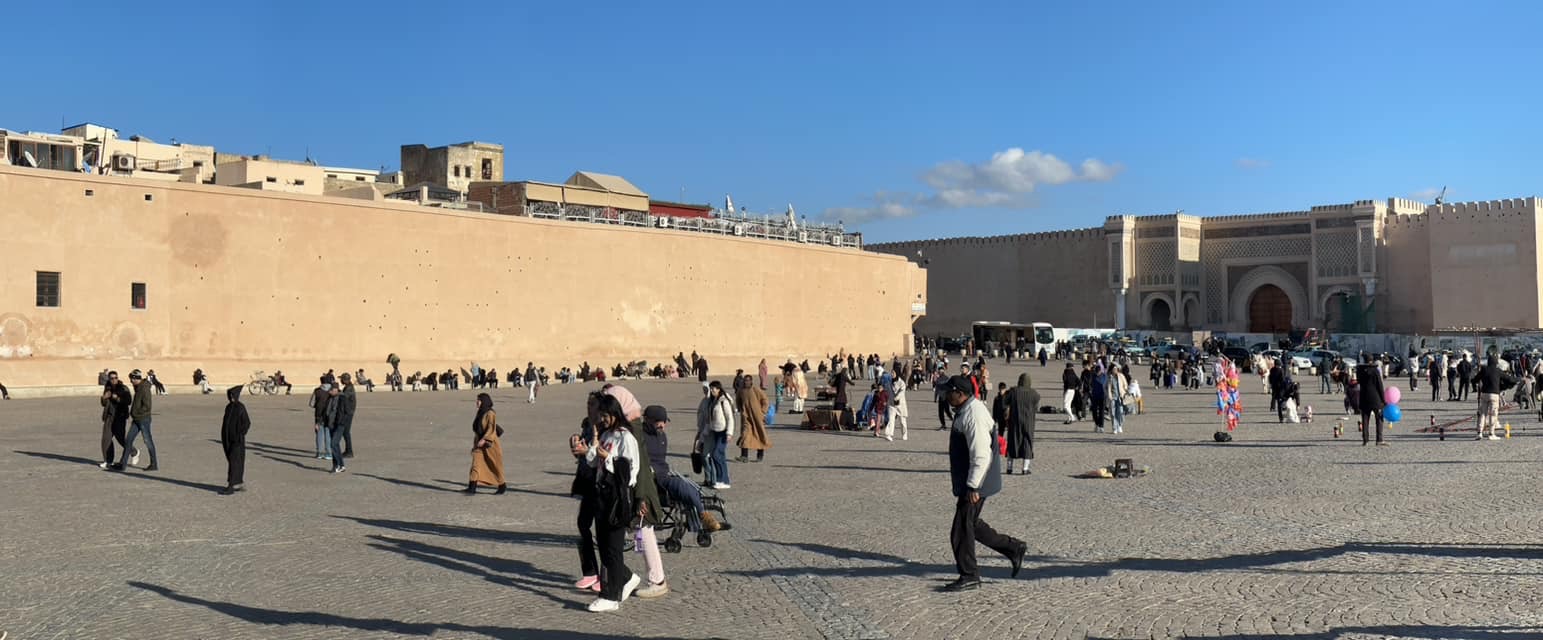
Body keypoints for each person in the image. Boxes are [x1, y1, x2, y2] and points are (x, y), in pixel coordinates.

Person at [941, 375, 1027, 592]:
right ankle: (1013, 548)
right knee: (971, 523)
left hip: (978, 481)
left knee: (960, 529)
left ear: (960, 394)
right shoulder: (966, 410)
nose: (944, 395)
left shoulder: (974, 415)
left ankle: (970, 575)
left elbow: (981, 454)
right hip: (975, 479)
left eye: (948, 392)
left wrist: (973, 486)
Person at [583, 395, 665, 611]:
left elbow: (630, 471)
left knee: (613, 548)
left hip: (617, 496)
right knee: (603, 545)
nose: (603, 419)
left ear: (614, 413)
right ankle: (627, 578)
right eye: (601, 415)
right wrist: (592, 445)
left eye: (605, 415)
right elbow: (593, 462)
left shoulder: (625, 437)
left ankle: (611, 597)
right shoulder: (607, 434)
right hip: (601, 493)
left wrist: (608, 459)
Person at [641, 405, 722, 533]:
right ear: (648, 420)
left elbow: (661, 460)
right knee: (679, 485)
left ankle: (694, 524)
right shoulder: (640, 437)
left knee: (689, 483)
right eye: (659, 422)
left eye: (664, 422)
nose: (663, 425)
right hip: (651, 477)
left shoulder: (662, 436)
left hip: (663, 473)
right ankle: (703, 515)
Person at [117, 370, 159, 472]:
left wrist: (136, 413)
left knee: (148, 441)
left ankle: (154, 464)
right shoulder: (139, 387)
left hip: (143, 419)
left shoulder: (144, 389)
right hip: (137, 419)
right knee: (128, 440)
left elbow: (147, 406)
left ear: (137, 378)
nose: (131, 381)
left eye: (132, 379)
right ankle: (123, 464)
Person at [696, 381, 734, 489]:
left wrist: (729, 433)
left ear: (719, 389)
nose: (712, 390)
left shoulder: (723, 401)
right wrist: (702, 436)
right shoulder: (712, 402)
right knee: (719, 456)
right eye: (711, 388)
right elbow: (709, 421)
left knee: (716, 454)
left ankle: (721, 479)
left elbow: (730, 418)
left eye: (714, 388)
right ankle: (723, 480)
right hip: (714, 431)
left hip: (723, 432)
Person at [465, 393, 507, 494]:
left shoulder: (490, 413)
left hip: (490, 444)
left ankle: (502, 485)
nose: (477, 402)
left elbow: (491, 428)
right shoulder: (480, 412)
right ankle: (472, 487)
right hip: (479, 443)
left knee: (495, 465)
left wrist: (485, 439)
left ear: (484, 402)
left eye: (479, 400)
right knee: (476, 464)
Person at [1475, 353, 1517, 440]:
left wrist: (1477, 383)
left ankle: (1479, 433)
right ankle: (1491, 433)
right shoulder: (1498, 370)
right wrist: (1517, 380)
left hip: (1484, 394)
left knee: (1482, 413)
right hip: (1494, 394)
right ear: (1496, 362)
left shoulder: (1484, 369)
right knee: (1493, 414)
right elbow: (1509, 379)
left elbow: (1474, 379)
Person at [1004, 373, 1039, 475]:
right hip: (1028, 422)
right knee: (1027, 442)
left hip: (1015, 421)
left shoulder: (1013, 391)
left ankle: (1009, 468)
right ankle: (1025, 468)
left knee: (1012, 441)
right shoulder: (1034, 394)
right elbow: (1036, 405)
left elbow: (1005, 401)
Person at [99, 371, 134, 470]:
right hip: (109, 417)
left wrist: (117, 398)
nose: (114, 380)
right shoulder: (107, 388)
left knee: (120, 438)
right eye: (112, 378)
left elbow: (128, 401)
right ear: (109, 379)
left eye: (115, 377)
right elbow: (104, 403)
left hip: (120, 416)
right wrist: (103, 398)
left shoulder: (123, 388)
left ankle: (134, 451)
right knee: (106, 440)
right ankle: (108, 461)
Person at [220, 385, 250, 495]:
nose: (231, 398)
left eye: (233, 396)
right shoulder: (228, 407)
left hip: (237, 441)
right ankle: (238, 482)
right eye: (230, 396)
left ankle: (231, 485)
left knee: (234, 461)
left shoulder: (240, 407)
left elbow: (246, 423)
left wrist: (240, 435)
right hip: (228, 439)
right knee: (234, 461)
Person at [1355, 353, 1387, 446]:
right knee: (1379, 418)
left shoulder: (1360, 370)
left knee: (1365, 419)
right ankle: (1379, 439)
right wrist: (1383, 399)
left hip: (1364, 397)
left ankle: (1365, 439)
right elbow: (1380, 386)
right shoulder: (1375, 371)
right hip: (1375, 397)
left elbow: (1359, 381)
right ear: (1372, 360)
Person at [736, 377, 771, 462]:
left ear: (751, 381)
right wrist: (741, 410)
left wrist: (763, 411)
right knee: (745, 434)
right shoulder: (741, 391)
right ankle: (744, 456)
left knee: (759, 434)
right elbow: (738, 401)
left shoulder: (756, 390)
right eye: (745, 381)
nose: (746, 382)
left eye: (748, 380)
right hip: (746, 417)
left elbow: (765, 399)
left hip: (757, 416)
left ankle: (760, 455)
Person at [335, 373, 358, 460]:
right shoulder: (348, 387)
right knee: (345, 432)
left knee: (346, 432)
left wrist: (337, 391)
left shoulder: (349, 388)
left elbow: (344, 396)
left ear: (345, 380)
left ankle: (349, 451)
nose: (340, 380)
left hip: (348, 413)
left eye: (341, 379)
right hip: (348, 412)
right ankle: (348, 450)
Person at [309, 379, 333, 459]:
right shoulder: (333, 390)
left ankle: (320, 453)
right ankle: (329, 453)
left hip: (319, 416)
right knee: (328, 434)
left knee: (319, 434)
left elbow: (311, 404)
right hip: (330, 416)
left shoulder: (317, 391)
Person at [883, 371, 909, 442]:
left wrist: (896, 397)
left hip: (900, 405)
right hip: (891, 404)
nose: (892, 374)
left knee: (902, 421)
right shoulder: (889, 382)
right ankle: (889, 434)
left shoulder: (902, 383)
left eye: (893, 373)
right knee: (891, 419)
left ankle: (904, 434)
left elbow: (902, 392)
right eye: (891, 373)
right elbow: (886, 391)